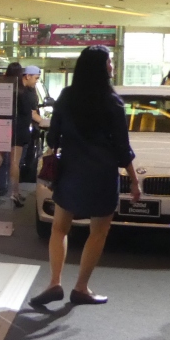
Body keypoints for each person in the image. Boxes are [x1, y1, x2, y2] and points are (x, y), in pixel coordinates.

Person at [30, 45, 139, 307]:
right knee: (98, 232)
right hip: (102, 175)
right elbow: (122, 148)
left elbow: (53, 137)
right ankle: (81, 288)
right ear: (100, 67)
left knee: (59, 228)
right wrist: (134, 180)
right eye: (109, 61)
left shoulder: (67, 96)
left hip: (71, 171)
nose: (112, 66)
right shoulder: (112, 102)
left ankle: (54, 282)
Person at [0, 63, 46, 206]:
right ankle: (14, 193)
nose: (36, 81)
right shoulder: (24, 93)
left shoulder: (2, 88)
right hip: (18, 129)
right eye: (36, 78)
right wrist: (45, 122)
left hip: (0, 126)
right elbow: (31, 113)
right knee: (15, 162)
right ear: (25, 75)